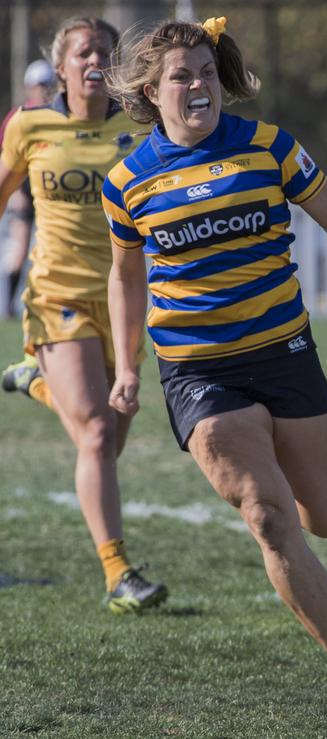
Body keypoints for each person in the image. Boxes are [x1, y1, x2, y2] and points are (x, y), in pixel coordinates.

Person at [103, 17, 327, 704]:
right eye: (180, 76)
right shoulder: (127, 183)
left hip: (285, 354)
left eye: (204, 72)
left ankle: (291, 502)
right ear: (147, 89)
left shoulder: (269, 148)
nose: (198, 86)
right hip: (198, 371)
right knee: (268, 515)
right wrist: (129, 364)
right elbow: (125, 276)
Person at [0, 17, 168, 613]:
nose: (94, 58)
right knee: (96, 431)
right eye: (82, 51)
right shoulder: (30, 125)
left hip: (126, 298)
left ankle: (37, 384)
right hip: (57, 295)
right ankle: (119, 573)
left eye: (104, 50)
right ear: (62, 66)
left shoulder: (139, 126)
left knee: (111, 430)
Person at [0, 59, 57, 318]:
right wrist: (15, 194)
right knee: (20, 250)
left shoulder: (60, 113)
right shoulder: (19, 117)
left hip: (53, 195)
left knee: (52, 252)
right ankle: (10, 306)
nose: (44, 89)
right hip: (25, 193)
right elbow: (7, 160)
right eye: (39, 85)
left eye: (48, 84)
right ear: (28, 87)